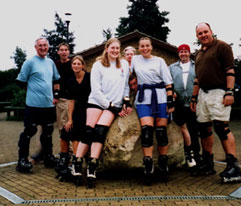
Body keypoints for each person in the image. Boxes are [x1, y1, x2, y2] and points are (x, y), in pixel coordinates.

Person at [70, 38, 133, 187]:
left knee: (99, 132)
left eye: (117, 48)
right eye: (112, 48)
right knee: (88, 131)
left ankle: (92, 165)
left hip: (114, 104)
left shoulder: (124, 64)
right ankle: (77, 163)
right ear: (106, 48)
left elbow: (125, 86)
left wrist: (125, 100)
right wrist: (108, 105)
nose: (115, 51)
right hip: (97, 102)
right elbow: (96, 90)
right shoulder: (98, 65)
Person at [190, 22, 241, 183]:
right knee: (204, 129)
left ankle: (233, 167)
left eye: (206, 31)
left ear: (211, 31)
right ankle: (207, 163)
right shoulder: (198, 53)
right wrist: (194, 97)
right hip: (203, 95)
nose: (203, 35)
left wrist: (229, 91)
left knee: (221, 127)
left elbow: (230, 70)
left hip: (219, 92)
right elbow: (197, 78)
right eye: (200, 33)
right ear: (197, 36)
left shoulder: (222, 47)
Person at [131, 37, 174, 185]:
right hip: (144, 99)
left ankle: (163, 164)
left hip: (160, 97)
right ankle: (148, 166)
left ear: (151, 47)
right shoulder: (135, 60)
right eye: (142, 46)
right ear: (139, 47)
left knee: (161, 132)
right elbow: (124, 70)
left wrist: (170, 101)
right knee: (147, 131)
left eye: (147, 46)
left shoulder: (160, 61)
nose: (144, 48)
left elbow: (168, 82)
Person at [16, 37, 60, 173]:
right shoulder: (29, 62)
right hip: (33, 105)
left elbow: (56, 80)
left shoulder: (50, 62)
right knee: (29, 132)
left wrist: (56, 95)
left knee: (47, 132)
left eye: (45, 45)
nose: (42, 47)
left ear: (48, 47)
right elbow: (20, 81)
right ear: (36, 47)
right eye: (40, 45)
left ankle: (48, 157)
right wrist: (33, 91)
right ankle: (22, 160)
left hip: (48, 106)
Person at [169, 44, 201, 170]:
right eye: (181, 52)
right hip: (179, 103)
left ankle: (196, 157)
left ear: (189, 53)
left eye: (185, 52)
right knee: (183, 129)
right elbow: (168, 82)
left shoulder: (196, 66)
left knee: (194, 130)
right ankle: (186, 156)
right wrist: (172, 93)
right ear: (178, 54)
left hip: (194, 102)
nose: (183, 54)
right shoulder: (172, 67)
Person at [53, 42, 75, 179]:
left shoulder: (73, 63)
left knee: (71, 126)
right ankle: (64, 156)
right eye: (61, 50)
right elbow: (55, 81)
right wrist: (55, 95)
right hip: (61, 99)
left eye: (66, 50)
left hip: (72, 99)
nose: (64, 52)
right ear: (58, 52)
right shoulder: (55, 64)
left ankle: (73, 155)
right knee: (62, 127)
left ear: (69, 51)